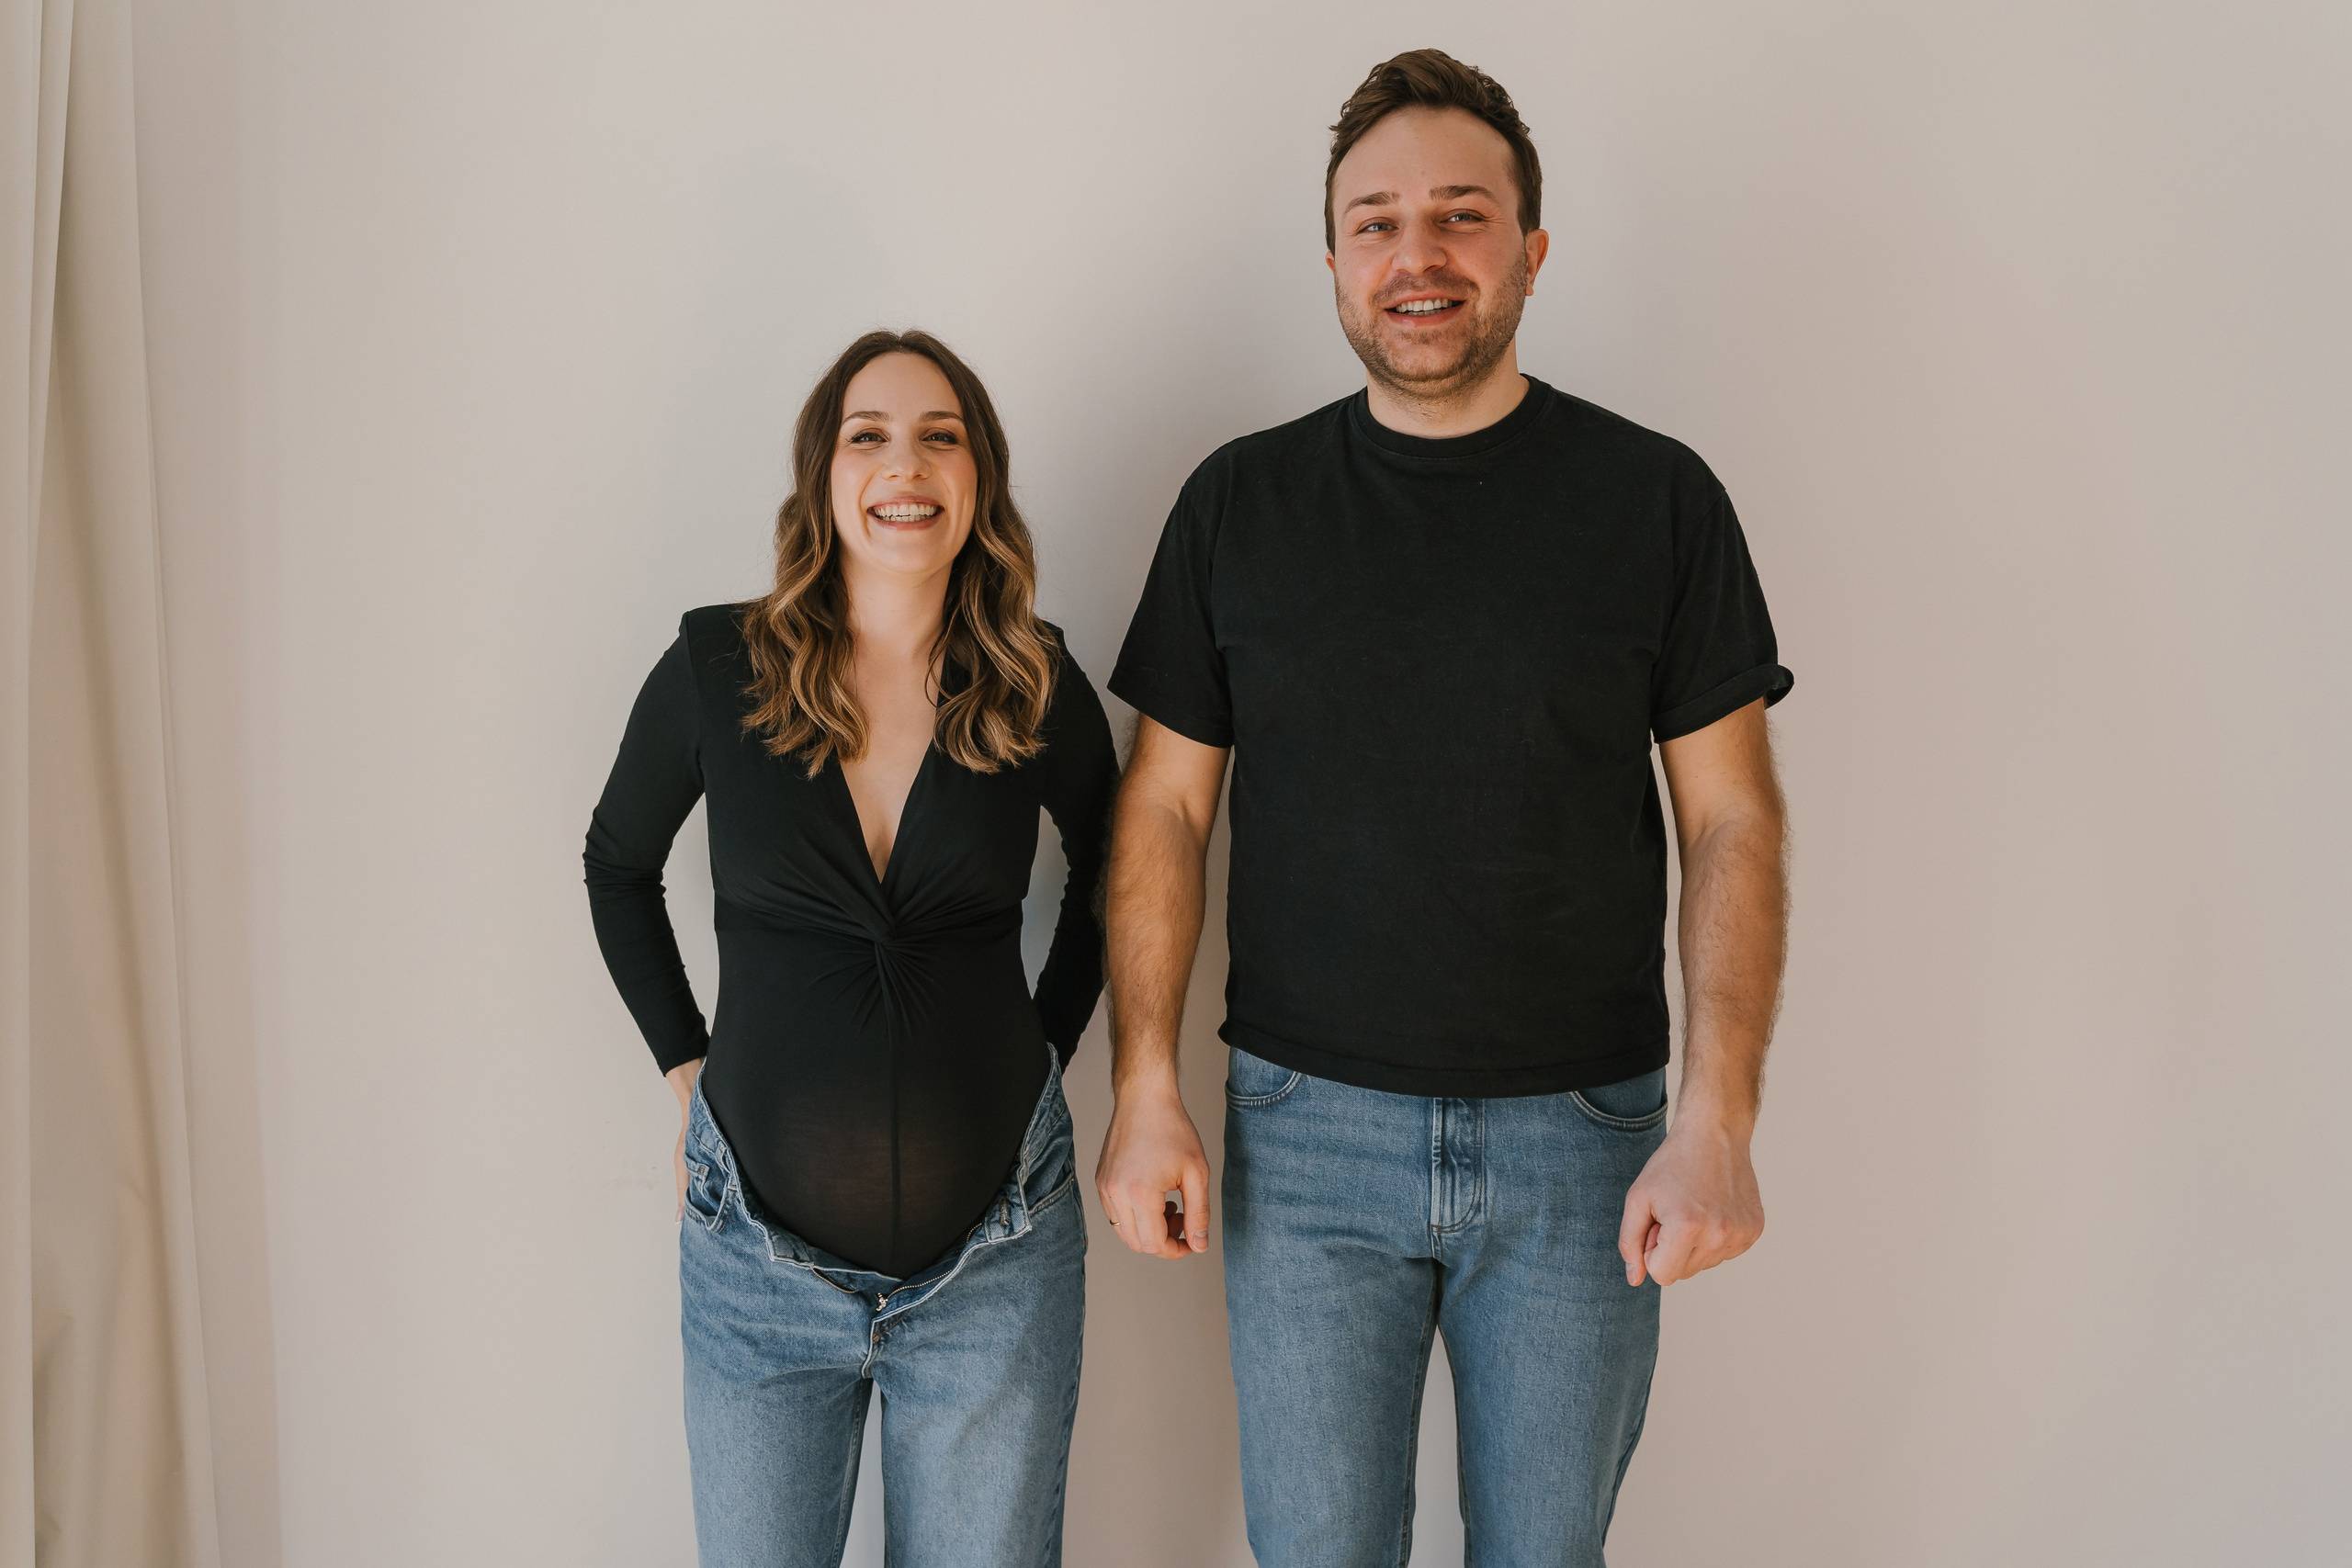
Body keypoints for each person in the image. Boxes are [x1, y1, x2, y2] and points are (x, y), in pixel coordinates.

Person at [1094, 50, 1792, 1567]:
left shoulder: (1657, 500)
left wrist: (1717, 1118)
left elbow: (1733, 820)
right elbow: (1160, 812)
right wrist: (1142, 1082)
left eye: (1462, 217)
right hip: (1303, 1134)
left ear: (1531, 250)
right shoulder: (1238, 504)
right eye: (1377, 222)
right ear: (1334, 264)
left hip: (1585, 1141)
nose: (1418, 256)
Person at [585, 330, 1117, 1568]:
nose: (906, 462)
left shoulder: (1032, 679)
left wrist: (1044, 1044)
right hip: (755, 1267)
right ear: (823, 478)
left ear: (979, 476)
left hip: (1000, 1256)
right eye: (867, 434)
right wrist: (683, 1068)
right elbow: (618, 868)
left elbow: (1118, 871)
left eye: (942, 435)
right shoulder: (721, 667)